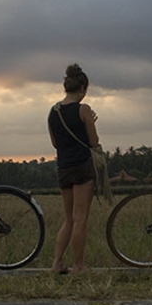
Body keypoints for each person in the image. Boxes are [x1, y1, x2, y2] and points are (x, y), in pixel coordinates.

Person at [47, 63, 100, 274]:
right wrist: (91, 122)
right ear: (83, 89)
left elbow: (54, 143)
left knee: (68, 218)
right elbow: (94, 142)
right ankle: (78, 266)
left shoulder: (53, 111)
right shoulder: (83, 110)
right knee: (80, 219)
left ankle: (56, 263)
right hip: (82, 167)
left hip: (63, 167)